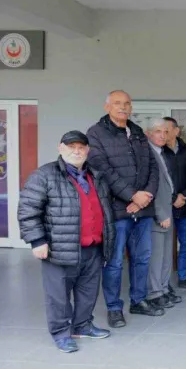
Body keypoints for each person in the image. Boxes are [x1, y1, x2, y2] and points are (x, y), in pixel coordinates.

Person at [18, 131, 115, 353]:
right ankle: (61, 333)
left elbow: (105, 209)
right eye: (71, 147)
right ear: (60, 148)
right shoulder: (44, 175)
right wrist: (37, 241)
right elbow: (28, 210)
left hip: (93, 246)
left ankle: (82, 326)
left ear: (88, 151)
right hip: (59, 248)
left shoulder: (96, 176)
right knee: (58, 296)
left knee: (88, 291)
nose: (76, 151)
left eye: (81, 147)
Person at [86, 90, 162, 327]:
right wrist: (131, 195)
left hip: (143, 209)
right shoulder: (95, 133)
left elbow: (153, 167)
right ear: (107, 106)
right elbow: (102, 170)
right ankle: (114, 308)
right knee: (114, 262)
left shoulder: (137, 132)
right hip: (116, 211)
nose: (123, 107)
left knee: (142, 258)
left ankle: (138, 300)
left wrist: (145, 196)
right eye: (117, 103)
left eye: (127, 103)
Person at [145, 120, 182, 309]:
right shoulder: (147, 154)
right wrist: (160, 214)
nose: (162, 135)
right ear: (148, 133)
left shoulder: (162, 153)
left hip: (168, 211)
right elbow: (150, 188)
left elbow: (168, 184)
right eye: (158, 131)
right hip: (156, 215)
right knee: (156, 257)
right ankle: (154, 293)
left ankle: (164, 288)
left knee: (167, 255)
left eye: (165, 132)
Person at [163, 117, 186, 291]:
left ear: (176, 131)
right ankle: (163, 282)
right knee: (164, 246)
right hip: (165, 207)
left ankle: (185, 277)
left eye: (167, 129)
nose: (164, 133)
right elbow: (158, 180)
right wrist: (172, 198)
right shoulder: (159, 151)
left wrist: (184, 195)